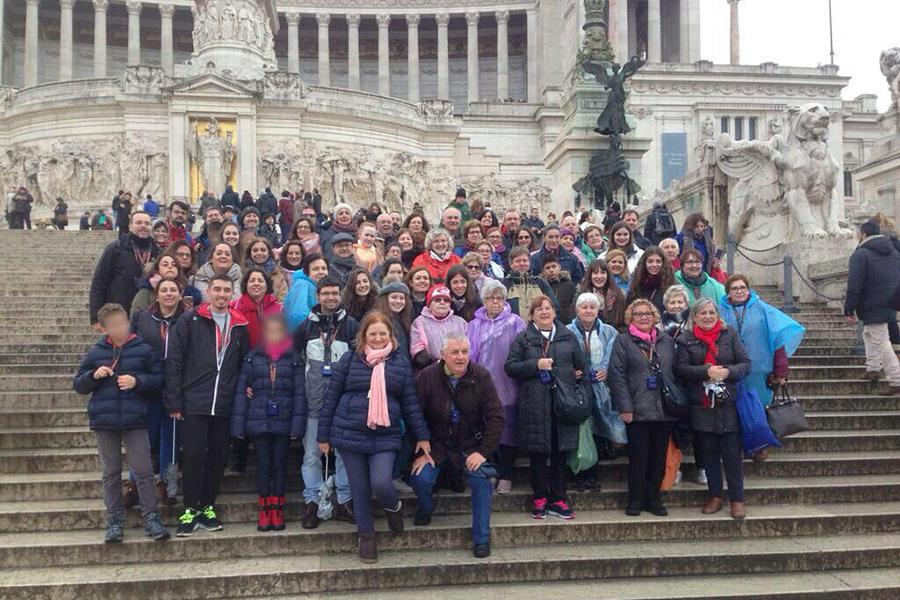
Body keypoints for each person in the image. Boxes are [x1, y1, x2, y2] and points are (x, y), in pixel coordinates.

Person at [316, 311, 431, 563]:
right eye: (373, 333)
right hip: (349, 433)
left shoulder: (399, 363)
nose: (378, 338)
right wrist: (322, 436)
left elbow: (410, 403)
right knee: (359, 489)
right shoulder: (349, 359)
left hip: (384, 435)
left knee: (381, 482)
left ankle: (393, 507)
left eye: (382, 333)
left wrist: (422, 436)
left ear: (390, 335)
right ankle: (366, 536)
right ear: (363, 335)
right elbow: (331, 398)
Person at [74, 303, 169, 543]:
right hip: (104, 420)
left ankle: (151, 516)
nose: (120, 328)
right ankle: (115, 519)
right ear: (104, 328)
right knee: (111, 472)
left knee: (144, 471)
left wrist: (137, 382)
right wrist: (93, 376)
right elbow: (79, 384)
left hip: (135, 418)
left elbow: (159, 380)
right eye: (114, 324)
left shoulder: (143, 349)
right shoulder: (96, 352)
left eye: (123, 322)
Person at [165, 275, 250, 536]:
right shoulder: (190, 320)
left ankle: (208, 506)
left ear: (232, 294)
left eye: (227, 290)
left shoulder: (240, 325)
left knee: (218, 458)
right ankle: (190, 508)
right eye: (217, 290)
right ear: (209, 292)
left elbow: (243, 364)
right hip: (194, 402)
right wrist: (174, 400)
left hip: (224, 404)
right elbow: (175, 361)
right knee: (193, 456)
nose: (222, 294)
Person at [410, 332, 504, 558]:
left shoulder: (481, 375)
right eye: (454, 352)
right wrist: (422, 443)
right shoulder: (427, 376)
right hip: (436, 445)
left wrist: (482, 452)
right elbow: (415, 414)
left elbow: (496, 417)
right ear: (443, 355)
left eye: (464, 352)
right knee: (421, 478)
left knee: (482, 482)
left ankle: (481, 538)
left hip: (469, 446)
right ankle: (425, 508)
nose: (461, 357)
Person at [505, 295, 587, 520]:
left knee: (561, 453)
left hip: (563, 404)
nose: (544, 312)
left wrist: (573, 375)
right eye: (539, 309)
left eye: (548, 308)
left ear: (554, 312)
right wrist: (536, 365)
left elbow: (582, 367)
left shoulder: (568, 336)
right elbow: (510, 367)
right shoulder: (524, 339)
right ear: (531, 315)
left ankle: (558, 499)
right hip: (535, 405)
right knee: (538, 455)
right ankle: (540, 498)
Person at [675, 297, 751, 519]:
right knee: (708, 453)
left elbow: (746, 364)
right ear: (695, 316)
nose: (707, 317)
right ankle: (715, 495)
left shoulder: (729, 335)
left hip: (728, 403)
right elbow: (680, 369)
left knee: (732, 454)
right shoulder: (685, 339)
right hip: (702, 404)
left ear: (718, 315)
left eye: (711, 313)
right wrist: (705, 371)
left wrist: (727, 372)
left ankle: (737, 499)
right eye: (703, 313)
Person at [294, 276, 359, 528]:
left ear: (340, 295)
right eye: (326, 293)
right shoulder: (305, 327)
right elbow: (293, 359)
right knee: (311, 455)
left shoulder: (351, 326)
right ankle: (312, 501)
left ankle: (344, 500)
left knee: (343, 454)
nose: (331, 298)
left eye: (334, 293)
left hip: (342, 404)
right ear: (318, 296)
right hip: (313, 401)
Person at [232, 313, 306, 532]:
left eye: (278, 331)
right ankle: (264, 509)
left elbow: (299, 394)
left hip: (283, 419)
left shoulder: (293, 359)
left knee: (279, 465)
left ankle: (277, 508)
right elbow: (241, 391)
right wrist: (238, 426)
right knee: (263, 465)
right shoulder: (252, 358)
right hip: (259, 420)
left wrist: (297, 426)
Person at [608, 298, 679, 517]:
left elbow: (675, 371)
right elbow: (616, 376)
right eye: (638, 314)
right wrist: (625, 407)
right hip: (636, 410)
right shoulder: (623, 341)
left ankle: (653, 498)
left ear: (655, 316)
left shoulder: (666, 341)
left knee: (658, 458)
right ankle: (636, 499)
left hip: (663, 409)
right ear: (631, 318)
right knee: (639, 458)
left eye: (647, 313)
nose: (644, 317)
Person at [131, 276, 186, 506]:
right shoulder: (142, 318)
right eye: (164, 290)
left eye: (173, 290)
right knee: (145, 439)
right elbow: (132, 348)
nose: (169, 294)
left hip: (176, 387)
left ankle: (168, 485)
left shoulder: (188, 319)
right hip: (148, 386)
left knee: (170, 440)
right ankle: (135, 485)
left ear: (180, 295)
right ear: (157, 294)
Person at [467, 279, 526, 494]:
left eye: (499, 298)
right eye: (491, 298)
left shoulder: (515, 322)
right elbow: (470, 354)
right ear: (484, 301)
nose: (495, 302)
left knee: (507, 431)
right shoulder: (474, 324)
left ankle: (506, 474)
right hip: (482, 387)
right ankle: (491, 471)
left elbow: (523, 350)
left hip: (508, 385)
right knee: (486, 430)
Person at [567, 292, 621, 491]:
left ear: (599, 310)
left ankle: (592, 475)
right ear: (577, 310)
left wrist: (606, 370)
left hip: (602, 389)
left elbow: (615, 355)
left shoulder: (610, 332)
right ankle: (578, 474)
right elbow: (561, 356)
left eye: (592, 307)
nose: (588, 310)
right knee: (580, 431)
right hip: (577, 389)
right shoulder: (567, 331)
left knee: (597, 431)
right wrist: (570, 370)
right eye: (584, 307)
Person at [844, 220, 900, 395]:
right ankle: (873, 368)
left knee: (881, 340)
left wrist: (849, 308)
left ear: (863, 234)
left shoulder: (860, 255)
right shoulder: (894, 251)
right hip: (891, 301)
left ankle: (896, 379)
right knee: (868, 334)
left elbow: (854, 284)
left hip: (871, 303)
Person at [89, 211, 160, 328]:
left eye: (147, 223)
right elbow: (99, 282)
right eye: (139, 223)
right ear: (130, 226)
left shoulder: (157, 252)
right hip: (118, 314)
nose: (143, 226)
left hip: (148, 316)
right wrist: (95, 318)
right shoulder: (115, 249)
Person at [410, 285, 469, 368]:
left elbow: (470, 347)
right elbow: (417, 350)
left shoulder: (460, 322)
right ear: (429, 304)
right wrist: (439, 365)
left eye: (446, 300)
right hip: (431, 369)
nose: (442, 302)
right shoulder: (419, 322)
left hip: (458, 368)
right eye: (437, 300)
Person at [130, 252, 200, 317]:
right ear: (158, 269)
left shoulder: (188, 292)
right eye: (165, 265)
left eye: (174, 265)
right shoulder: (146, 291)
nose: (170, 267)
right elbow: (137, 316)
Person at [231, 268, 282, 348]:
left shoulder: (279, 309)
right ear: (246, 285)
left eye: (260, 281)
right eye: (252, 281)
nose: (256, 283)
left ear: (267, 285)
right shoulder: (234, 307)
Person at [502, 246, 558, 319]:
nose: (522, 263)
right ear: (511, 264)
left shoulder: (540, 283)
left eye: (525, 260)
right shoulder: (504, 285)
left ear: (529, 262)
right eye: (518, 261)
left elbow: (554, 306)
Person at [285, 253, 330, 331]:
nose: (321, 272)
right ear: (307, 272)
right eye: (315, 269)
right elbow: (298, 315)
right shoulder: (302, 285)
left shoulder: (317, 286)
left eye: (324, 268)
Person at [577, 258, 625, 330]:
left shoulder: (618, 296)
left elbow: (623, 324)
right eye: (595, 273)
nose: (599, 277)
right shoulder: (581, 296)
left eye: (603, 273)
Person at [626, 246, 675, 315]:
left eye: (658, 261)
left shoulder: (670, 285)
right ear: (644, 263)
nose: (654, 265)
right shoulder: (636, 285)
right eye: (650, 261)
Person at [375, 279, 413, 359]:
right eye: (394, 297)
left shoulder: (404, 320)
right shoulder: (377, 320)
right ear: (385, 299)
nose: (398, 301)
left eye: (401, 298)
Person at [540, 254, 576, 324]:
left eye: (554, 266)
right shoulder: (540, 286)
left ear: (559, 267)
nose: (551, 270)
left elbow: (573, 307)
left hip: (566, 323)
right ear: (543, 270)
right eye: (548, 268)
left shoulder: (569, 284)